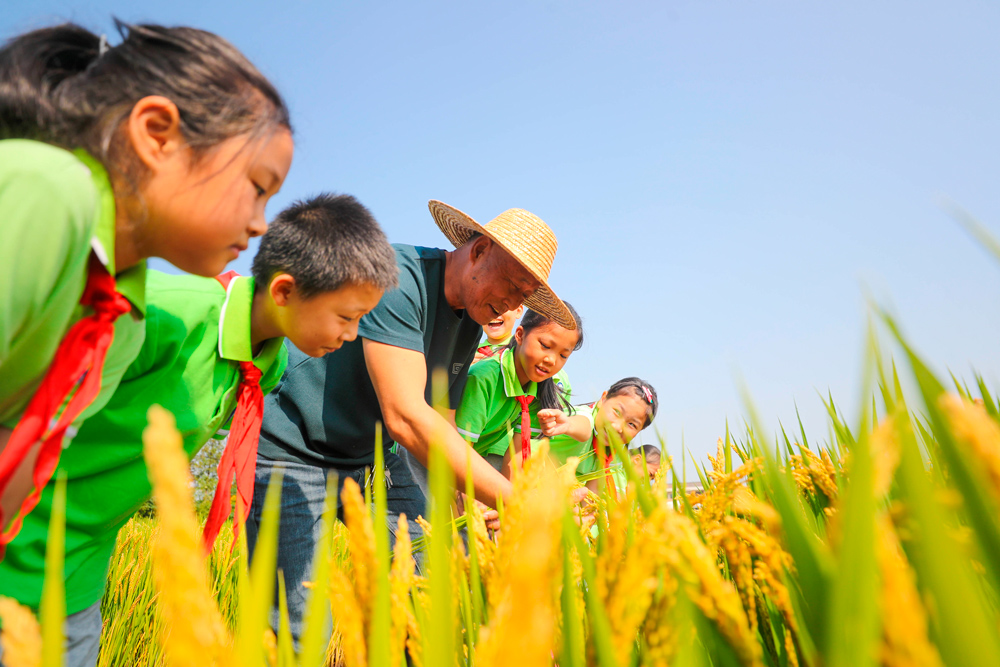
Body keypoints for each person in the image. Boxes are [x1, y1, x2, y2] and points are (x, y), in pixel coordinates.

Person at [0, 194, 396, 667]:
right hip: (15, 543)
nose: (351, 335)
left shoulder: (266, 366)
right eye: (345, 317)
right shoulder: (165, 314)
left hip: (78, 573)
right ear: (285, 292)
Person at [0, 20, 293, 548]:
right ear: (157, 134)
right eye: (257, 188)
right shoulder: (44, 194)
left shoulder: (123, 312)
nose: (260, 225)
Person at [252, 199, 575, 644]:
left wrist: (473, 507)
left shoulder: (471, 320)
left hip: (374, 456)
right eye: (511, 284)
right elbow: (406, 416)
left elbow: (440, 426)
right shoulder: (400, 277)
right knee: (301, 627)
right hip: (297, 447)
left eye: (523, 297)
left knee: (433, 582)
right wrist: (514, 498)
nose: (510, 303)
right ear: (478, 251)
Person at [456, 305, 583, 475]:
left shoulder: (539, 392)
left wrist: (513, 500)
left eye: (563, 355)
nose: (552, 360)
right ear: (520, 335)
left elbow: (516, 458)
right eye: (545, 345)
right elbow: (457, 451)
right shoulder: (483, 378)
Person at [539, 377, 659, 498]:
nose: (618, 427)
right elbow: (584, 426)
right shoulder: (585, 416)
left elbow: (593, 488)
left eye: (632, 424)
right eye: (617, 412)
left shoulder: (614, 453)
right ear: (603, 399)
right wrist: (569, 424)